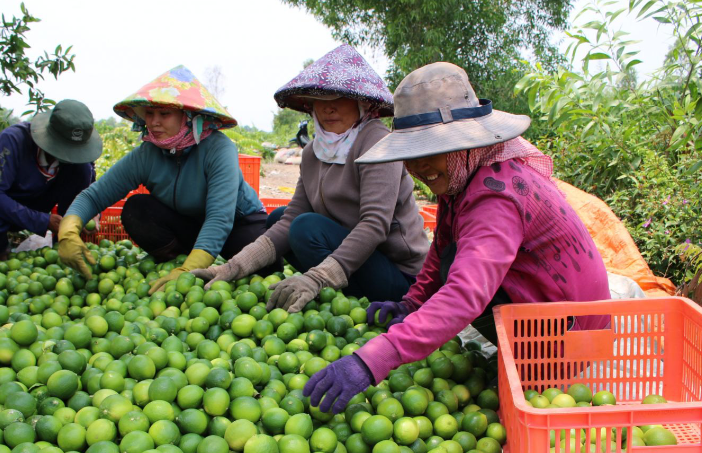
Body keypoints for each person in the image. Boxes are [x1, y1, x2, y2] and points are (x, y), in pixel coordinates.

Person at [303, 62, 612, 413]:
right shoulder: (463, 174)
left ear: (466, 143)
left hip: (573, 336)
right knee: (452, 258)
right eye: (411, 156)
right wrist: (411, 303)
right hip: (552, 314)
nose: (419, 168)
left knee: (459, 272)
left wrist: (370, 360)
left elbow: (466, 291)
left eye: (432, 151)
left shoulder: (496, 195)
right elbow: (442, 247)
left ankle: (540, 375)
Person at [193, 45, 429, 312]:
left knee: (306, 228)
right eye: (321, 100)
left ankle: (346, 300)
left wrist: (317, 278)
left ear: (362, 102)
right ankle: (335, 296)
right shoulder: (313, 153)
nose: (329, 109)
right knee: (279, 218)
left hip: (400, 277)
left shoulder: (378, 143)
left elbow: (374, 224)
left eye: (339, 98)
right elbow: (291, 218)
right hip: (355, 261)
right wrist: (232, 267)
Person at [58, 65, 272, 284]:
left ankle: (197, 259)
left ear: (187, 116)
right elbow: (94, 196)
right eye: (149, 113)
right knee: (137, 208)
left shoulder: (218, 148)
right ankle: (175, 260)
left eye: (164, 113)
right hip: (189, 225)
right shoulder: (147, 154)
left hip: (238, 223)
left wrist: (190, 270)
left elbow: (220, 217)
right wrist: (68, 230)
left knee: (266, 266)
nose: (154, 122)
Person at [0, 100, 102, 259]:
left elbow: (89, 190)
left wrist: (90, 212)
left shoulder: (76, 162)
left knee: (82, 169)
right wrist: (43, 220)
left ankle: (63, 248)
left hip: (40, 200)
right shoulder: (12, 141)